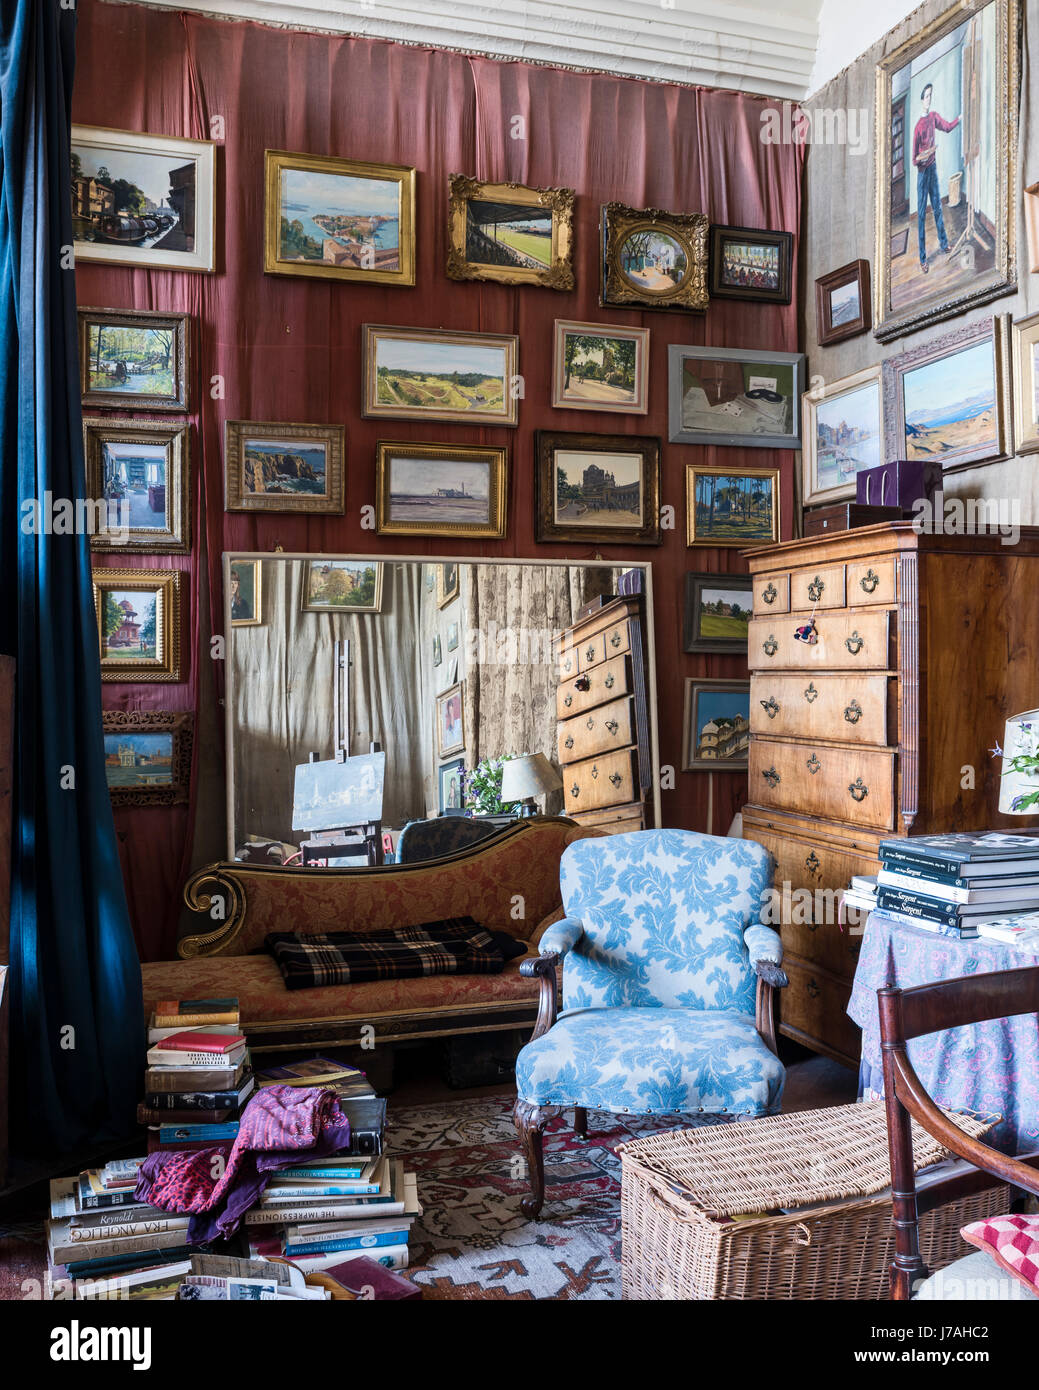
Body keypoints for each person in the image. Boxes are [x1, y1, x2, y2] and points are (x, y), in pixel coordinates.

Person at [912, 82, 960, 274]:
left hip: (933, 169)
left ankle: (944, 244)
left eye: (931, 96)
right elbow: (914, 159)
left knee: (938, 208)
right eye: (927, 96)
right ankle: (923, 259)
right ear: (922, 100)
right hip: (922, 174)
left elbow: (947, 127)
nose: (929, 99)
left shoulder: (933, 118)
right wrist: (921, 157)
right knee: (922, 215)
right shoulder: (917, 128)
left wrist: (959, 119)